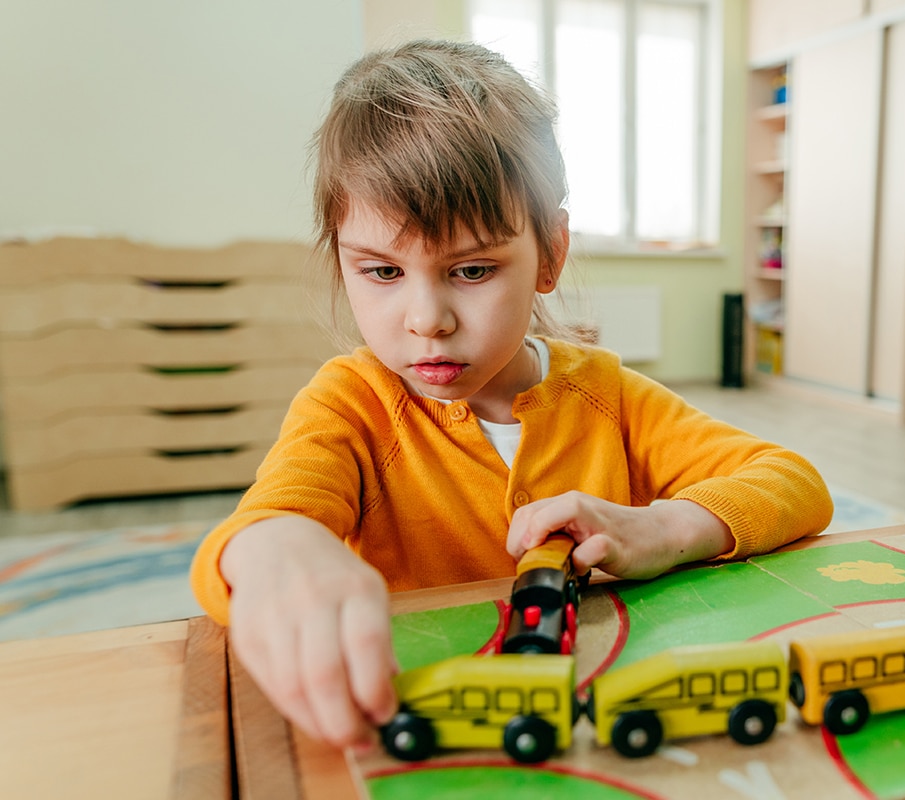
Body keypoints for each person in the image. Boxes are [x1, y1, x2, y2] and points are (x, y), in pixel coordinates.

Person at [189, 38, 833, 750]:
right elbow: (256, 532)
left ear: (550, 254)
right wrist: (276, 548)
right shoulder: (350, 403)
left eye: (470, 270)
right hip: (428, 732)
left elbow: (794, 483)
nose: (425, 319)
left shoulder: (607, 395)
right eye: (380, 272)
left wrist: (664, 528)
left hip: (593, 727)